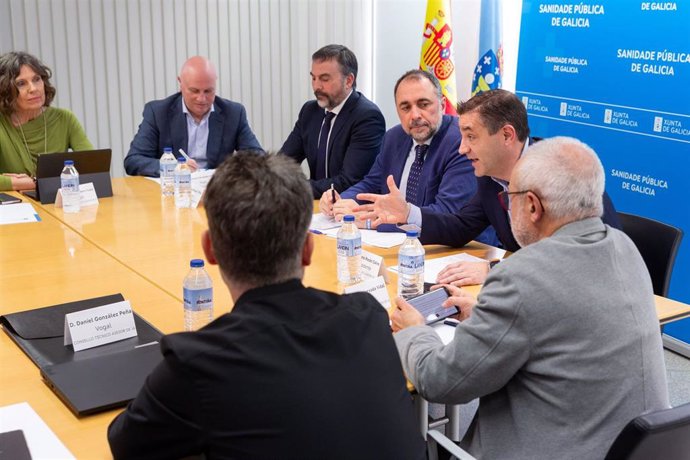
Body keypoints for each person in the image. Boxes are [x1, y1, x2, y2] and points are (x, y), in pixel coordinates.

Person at [107, 152, 425, 459]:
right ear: (308, 249)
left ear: (210, 250)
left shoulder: (198, 363)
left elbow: (125, 443)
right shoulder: (368, 317)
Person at [392, 136, 669, 459]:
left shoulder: (521, 276)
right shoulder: (624, 246)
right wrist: (488, 315)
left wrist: (414, 329)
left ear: (533, 206)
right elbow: (562, 314)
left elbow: (440, 382)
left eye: (509, 198)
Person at [355, 89, 620, 286]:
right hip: (528, 293)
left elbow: (580, 260)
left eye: (471, 137)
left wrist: (495, 271)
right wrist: (408, 213)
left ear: (506, 135)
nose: (462, 148)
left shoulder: (563, 173)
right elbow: (460, 226)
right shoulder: (489, 177)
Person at [320, 69, 498, 245]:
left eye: (424, 104)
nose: (415, 115)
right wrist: (342, 200)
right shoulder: (394, 137)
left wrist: (370, 222)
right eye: (405, 107)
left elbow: (447, 213)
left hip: (456, 249)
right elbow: (371, 183)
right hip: (398, 244)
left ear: (442, 104)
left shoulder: (461, 144)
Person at [124, 56, 262, 177]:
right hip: (172, 191)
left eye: (208, 91)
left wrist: (233, 169)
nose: (201, 99)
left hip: (215, 192)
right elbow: (133, 161)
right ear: (180, 83)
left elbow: (258, 156)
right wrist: (175, 167)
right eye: (194, 91)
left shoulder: (233, 113)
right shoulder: (158, 112)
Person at [280, 44, 385, 198]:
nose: (316, 86)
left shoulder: (367, 117)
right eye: (313, 78)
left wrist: (293, 187)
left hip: (350, 209)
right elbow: (283, 162)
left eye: (324, 79)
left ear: (348, 80)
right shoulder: (309, 111)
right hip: (318, 208)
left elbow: (349, 182)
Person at [0, 51, 93, 191]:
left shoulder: (64, 119)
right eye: (21, 83)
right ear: (5, 89)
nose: (33, 89)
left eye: (37, 79)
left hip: (58, 203)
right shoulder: (2, 124)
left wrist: (28, 182)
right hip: (15, 208)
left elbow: (93, 167)